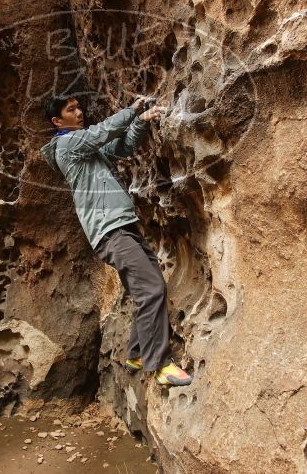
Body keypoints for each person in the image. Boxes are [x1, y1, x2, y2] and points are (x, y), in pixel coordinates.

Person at [39, 94, 193, 387]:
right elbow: (103, 132)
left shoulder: (88, 148)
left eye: (79, 107)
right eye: (71, 110)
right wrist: (131, 111)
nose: (80, 112)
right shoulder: (68, 145)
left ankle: (136, 353)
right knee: (151, 288)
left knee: (147, 286)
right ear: (57, 121)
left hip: (122, 226)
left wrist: (141, 122)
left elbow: (122, 146)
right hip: (110, 231)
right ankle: (160, 366)